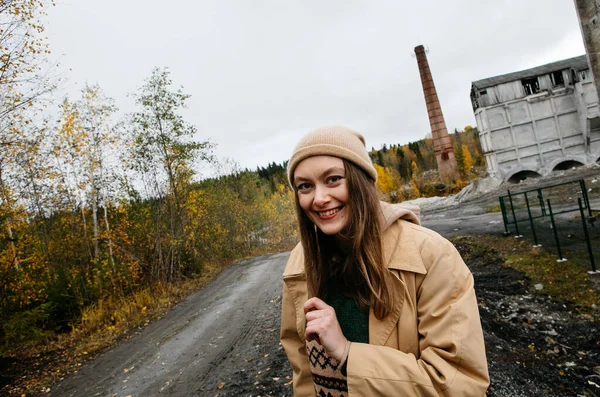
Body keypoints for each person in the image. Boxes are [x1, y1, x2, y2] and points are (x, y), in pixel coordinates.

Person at [280, 125, 489, 396]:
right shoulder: (301, 265)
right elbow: (304, 375)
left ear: (361, 180)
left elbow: (459, 384)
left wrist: (347, 354)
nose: (319, 199)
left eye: (333, 179)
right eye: (305, 186)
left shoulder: (431, 255)